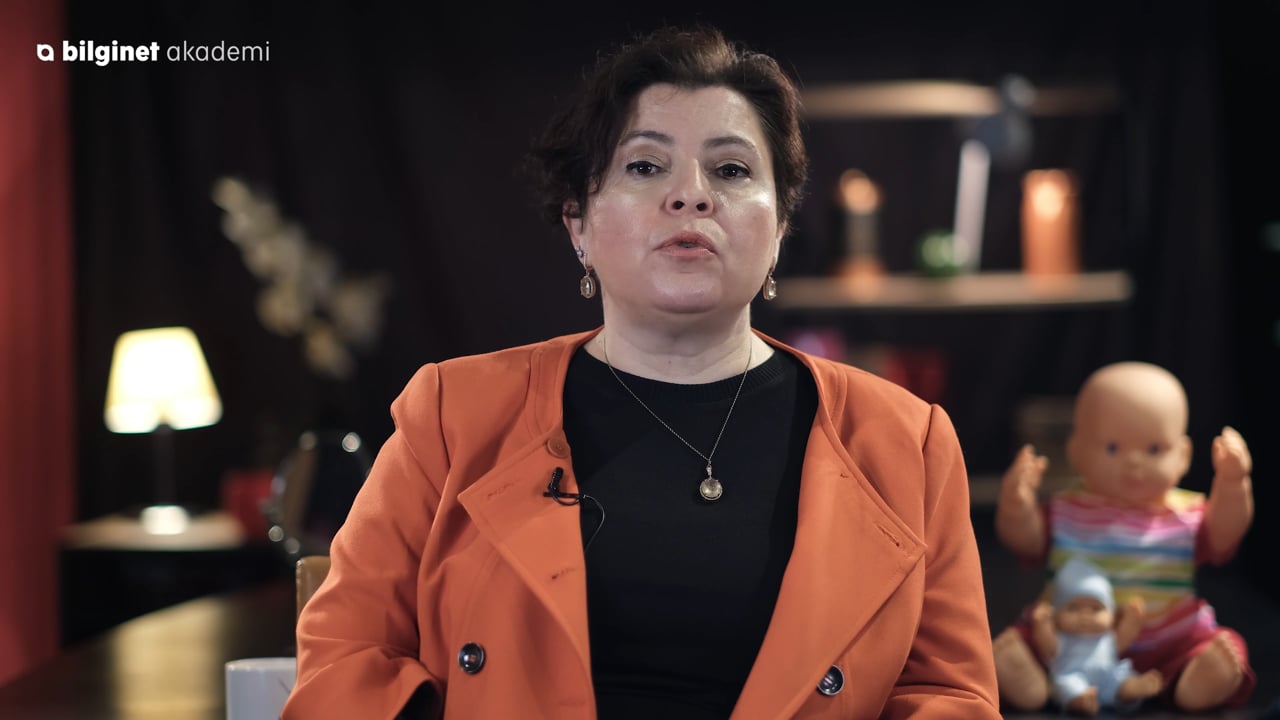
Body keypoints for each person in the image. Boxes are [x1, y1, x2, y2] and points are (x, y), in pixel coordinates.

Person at [283, 25, 1000, 719]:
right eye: (645, 166)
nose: (691, 195)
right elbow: (344, 661)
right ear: (579, 223)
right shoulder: (452, 414)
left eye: (731, 170)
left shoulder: (907, 442)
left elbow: (952, 696)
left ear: (780, 226)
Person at [993, 361, 1255, 713]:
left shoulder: (1189, 513)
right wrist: (1016, 506)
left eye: (1154, 449)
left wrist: (1232, 485)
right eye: (1113, 448)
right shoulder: (1065, 508)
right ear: (1076, 451)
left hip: (1168, 639)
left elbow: (1224, 534)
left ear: (1183, 456)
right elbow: (1026, 541)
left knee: (1225, 645)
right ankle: (1029, 677)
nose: (1134, 462)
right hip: (1070, 640)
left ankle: (1198, 679)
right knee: (1028, 635)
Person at [1029, 556, 1163, 716]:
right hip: (1073, 675)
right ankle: (1081, 701)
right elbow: (1049, 648)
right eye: (1073, 608)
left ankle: (1132, 689)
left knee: (1123, 678)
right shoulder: (1063, 639)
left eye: (1096, 608)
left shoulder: (1107, 638)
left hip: (1109, 676)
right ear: (1056, 615)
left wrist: (1133, 619)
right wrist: (1042, 625)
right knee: (1065, 685)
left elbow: (1124, 638)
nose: (1085, 615)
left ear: (1112, 615)